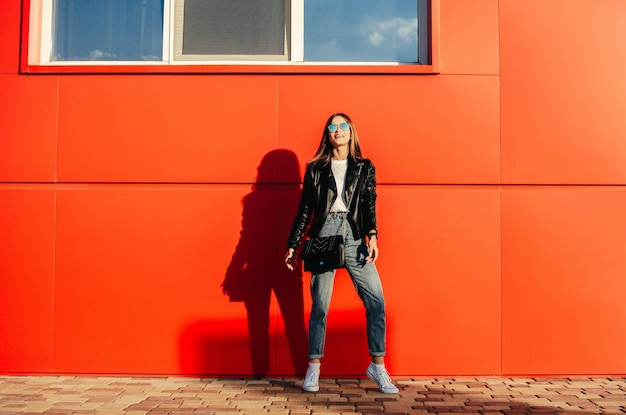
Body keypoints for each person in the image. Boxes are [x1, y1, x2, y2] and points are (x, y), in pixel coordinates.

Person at [284, 113, 398, 394]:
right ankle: (313, 368)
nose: (338, 130)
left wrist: (373, 236)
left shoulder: (364, 167)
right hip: (325, 234)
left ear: (351, 132)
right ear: (328, 134)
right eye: (332, 126)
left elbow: (369, 202)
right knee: (320, 306)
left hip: (355, 234)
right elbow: (305, 211)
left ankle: (378, 366)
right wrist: (293, 243)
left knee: (376, 301)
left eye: (343, 126)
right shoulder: (315, 168)